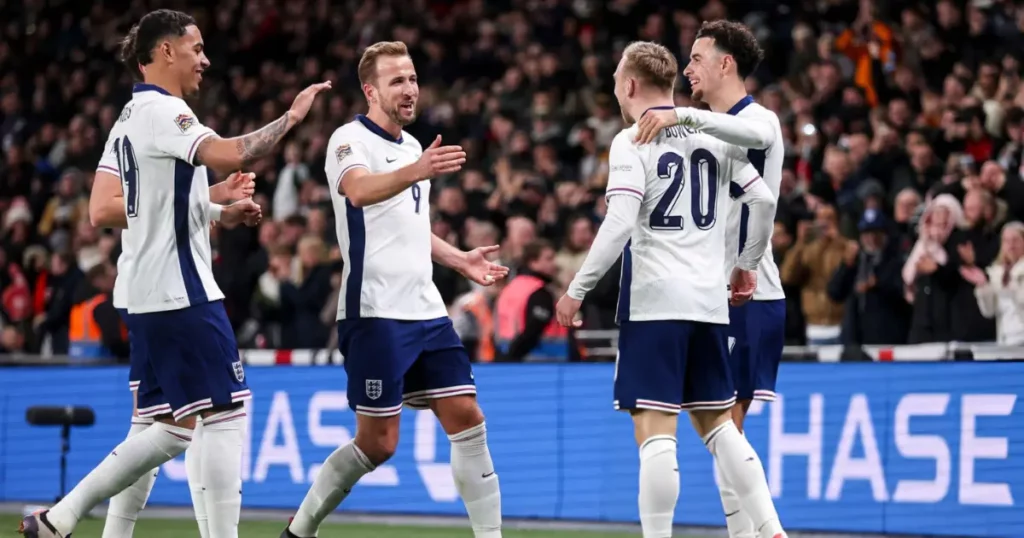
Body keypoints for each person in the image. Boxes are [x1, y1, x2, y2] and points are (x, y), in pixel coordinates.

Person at [20, 9, 329, 538]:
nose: (205, 59)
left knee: (151, 425)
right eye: (196, 48)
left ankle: (92, 529)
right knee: (218, 416)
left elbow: (109, 208)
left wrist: (208, 204)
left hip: (142, 293)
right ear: (165, 52)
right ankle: (62, 515)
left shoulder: (127, 118)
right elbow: (229, 152)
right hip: (181, 290)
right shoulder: (168, 113)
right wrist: (292, 118)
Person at [554, 41, 786, 538]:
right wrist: (746, 264)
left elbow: (618, 223)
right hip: (709, 304)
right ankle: (770, 530)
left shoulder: (630, 139)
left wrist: (576, 289)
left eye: (617, 79)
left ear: (631, 85)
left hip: (655, 303)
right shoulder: (713, 135)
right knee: (721, 428)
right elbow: (763, 199)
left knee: (656, 433)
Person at [282, 41, 508, 538]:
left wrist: (458, 259)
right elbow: (360, 191)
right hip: (375, 311)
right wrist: (419, 170)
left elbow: (410, 227)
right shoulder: (348, 140)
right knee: (378, 444)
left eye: (412, 79)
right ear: (371, 90)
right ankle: (299, 530)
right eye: (397, 81)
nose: (409, 90)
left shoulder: (411, 148)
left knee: (469, 419)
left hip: (425, 310)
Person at [633, 20, 788, 538]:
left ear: (727, 63)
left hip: (747, 293)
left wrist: (682, 115)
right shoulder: (705, 127)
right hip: (709, 297)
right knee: (721, 434)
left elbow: (759, 137)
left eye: (698, 57)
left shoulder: (755, 119)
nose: (689, 66)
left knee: (726, 431)